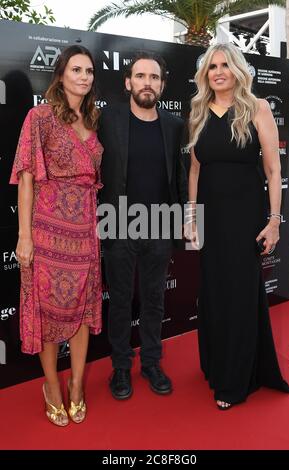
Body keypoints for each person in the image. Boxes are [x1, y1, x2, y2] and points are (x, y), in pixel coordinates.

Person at [186, 43, 289, 410]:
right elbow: (196, 169)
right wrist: (191, 216)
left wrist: (275, 221)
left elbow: (273, 169)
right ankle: (218, 365)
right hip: (211, 219)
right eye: (212, 67)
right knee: (215, 294)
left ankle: (237, 380)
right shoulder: (198, 112)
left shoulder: (257, 107)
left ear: (237, 70)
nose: (218, 72)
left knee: (240, 295)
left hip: (245, 217)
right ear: (205, 75)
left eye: (225, 65)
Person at [10, 45, 103, 426]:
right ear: (61, 74)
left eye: (89, 71)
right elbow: (26, 178)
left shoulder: (94, 120)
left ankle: (77, 385)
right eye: (76, 69)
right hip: (47, 229)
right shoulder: (41, 117)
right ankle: (51, 385)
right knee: (49, 313)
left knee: (82, 309)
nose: (84, 76)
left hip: (85, 229)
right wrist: (24, 236)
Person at [98, 51, 187, 400]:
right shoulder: (108, 119)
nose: (147, 83)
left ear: (162, 85)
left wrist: (189, 224)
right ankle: (120, 367)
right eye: (140, 76)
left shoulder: (175, 125)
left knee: (154, 299)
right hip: (117, 221)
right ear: (128, 82)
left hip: (161, 223)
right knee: (119, 300)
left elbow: (182, 176)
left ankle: (151, 361)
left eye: (153, 78)